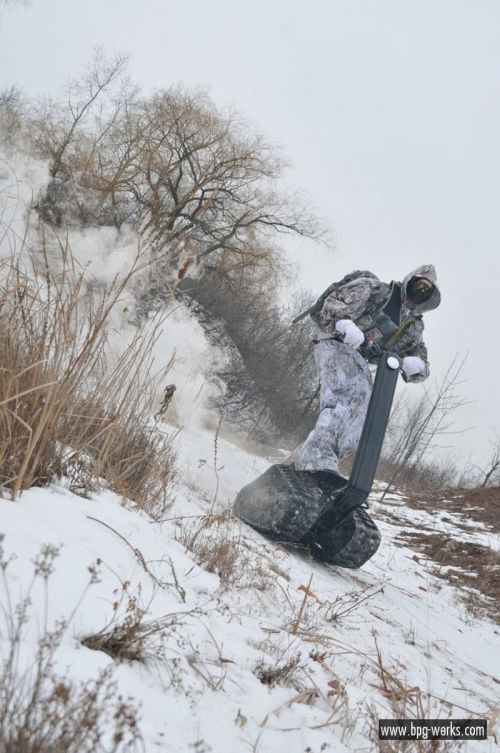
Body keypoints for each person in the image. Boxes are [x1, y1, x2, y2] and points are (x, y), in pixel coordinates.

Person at [291, 264, 441, 473]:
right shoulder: (375, 290)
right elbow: (333, 304)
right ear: (410, 282)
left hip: (359, 360)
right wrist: (345, 325)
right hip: (336, 343)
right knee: (347, 396)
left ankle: (300, 460)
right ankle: (315, 462)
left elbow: (422, 366)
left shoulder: (412, 325)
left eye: (425, 293)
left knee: (364, 413)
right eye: (418, 287)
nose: (419, 294)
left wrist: (415, 365)